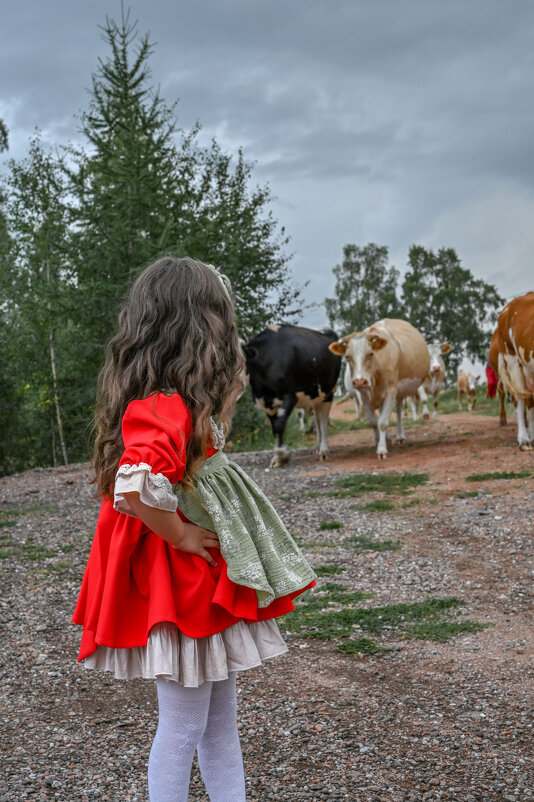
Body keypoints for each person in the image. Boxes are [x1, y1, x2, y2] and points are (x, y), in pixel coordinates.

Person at [72, 256, 316, 802]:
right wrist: (180, 534)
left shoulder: (177, 403)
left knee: (216, 724)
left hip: (199, 587)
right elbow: (135, 487)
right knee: (183, 727)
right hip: (179, 586)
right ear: (203, 332)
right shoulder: (168, 408)